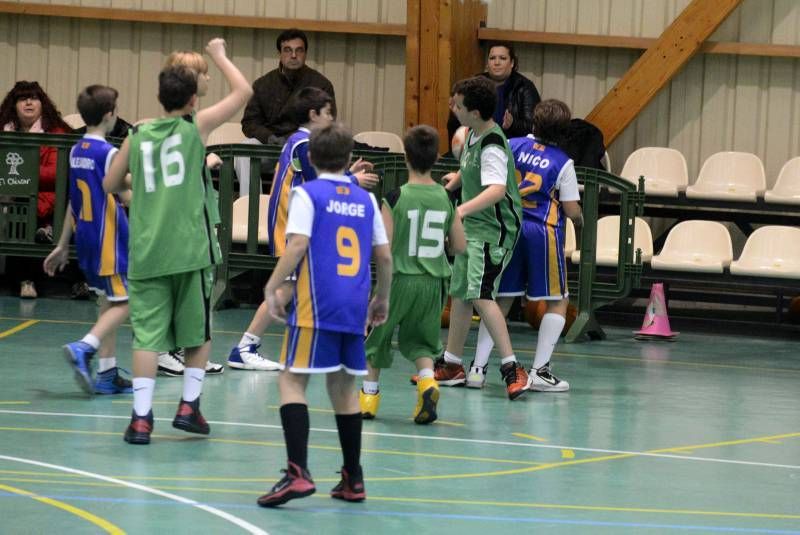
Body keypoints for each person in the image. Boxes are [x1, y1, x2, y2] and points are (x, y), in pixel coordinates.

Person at [104, 38, 253, 445]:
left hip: (148, 251)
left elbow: (111, 183)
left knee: (147, 337)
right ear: (191, 99)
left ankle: (140, 419)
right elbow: (244, 92)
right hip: (191, 250)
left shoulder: (137, 133)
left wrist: (141, 189)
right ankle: (189, 406)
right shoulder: (195, 127)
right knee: (198, 333)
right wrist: (221, 55)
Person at [256, 122, 392, 507]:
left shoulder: (308, 193)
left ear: (312, 158)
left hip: (316, 302)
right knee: (343, 387)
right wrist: (381, 298)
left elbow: (297, 244)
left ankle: (297, 471)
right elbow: (383, 255)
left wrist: (271, 285)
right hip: (354, 302)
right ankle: (353, 477)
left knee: (291, 379)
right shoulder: (366, 200)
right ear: (350, 158)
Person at [226, 87, 377, 372]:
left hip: (295, 224)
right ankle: (246, 345)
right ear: (313, 114)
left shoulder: (300, 141)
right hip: (290, 226)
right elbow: (321, 180)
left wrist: (348, 172)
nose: (332, 118)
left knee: (297, 285)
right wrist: (354, 180)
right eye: (328, 112)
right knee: (287, 287)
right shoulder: (303, 143)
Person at [425, 76, 527, 401]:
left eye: (458, 104)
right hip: (473, 227)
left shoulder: (494, 143)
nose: (453, 107)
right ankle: (452, 364)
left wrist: (461, 210)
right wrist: (453, 183)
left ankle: (513, 367)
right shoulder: (470, 135)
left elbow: (497, 189)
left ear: (475, 111)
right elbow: (470, 169)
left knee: (481, 294)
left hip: (493, 230)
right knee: (461, 293)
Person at [469, 99, 582, 392]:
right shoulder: (563, 162)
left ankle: (477, 370)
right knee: (558, 300)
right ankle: (540, 371)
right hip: (542, 232)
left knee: (501, 301)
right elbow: (571, 211)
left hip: (511, 227)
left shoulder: (511, 144)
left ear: (534, 122)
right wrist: (581, 221)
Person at [359, 125, 465, 424]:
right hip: (433, 283)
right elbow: (459, 245)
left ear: (405, 157)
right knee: (423, 341)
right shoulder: (446, 198)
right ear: (435, 159)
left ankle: (369, 397)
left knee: (375, 338)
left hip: (399, 280)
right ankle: (428, 381)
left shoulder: (395, 198)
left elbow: (383, 248)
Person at [43, 85, 133, 396]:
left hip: (85, 236)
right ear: (110, 115)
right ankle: (86, 346)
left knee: (108, 301)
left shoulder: (75, 149)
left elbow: (73, 200)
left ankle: (107, 374)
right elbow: (127, 197)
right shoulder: (109, 153)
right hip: (109, 238)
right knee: (127, 301)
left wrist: (62, 243)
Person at [154, 48, 229, 378]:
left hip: (200, 206)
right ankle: (168, 351)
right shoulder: (191, 123)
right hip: (187, 216)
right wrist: (206, 161)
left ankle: (187, 349)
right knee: (190, 282)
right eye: (203, 72)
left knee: (200, 284)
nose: (208, 78)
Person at [235, 28, 336, 196]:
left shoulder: (321, 85)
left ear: (305, 54)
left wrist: (296, 140)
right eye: (288, 50)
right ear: (280, 54)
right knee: (244, 151)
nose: (294, 55)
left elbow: (327, 123)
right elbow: (249, 123)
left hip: (304, 147)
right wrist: (269, 137)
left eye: (299, 50)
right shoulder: (263, 84)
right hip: (269, 146)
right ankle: (251, 212)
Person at [0, 81, 71, 298]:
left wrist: (23, 174)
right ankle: (25, 280)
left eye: (34, 98)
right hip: (9, 195)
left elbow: (56, 173)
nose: (29, 102)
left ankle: (27, 280)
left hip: (45, 197)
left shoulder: (57, 131)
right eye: (22, 98)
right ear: (14, 105)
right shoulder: (3, 131)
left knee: (26, 209)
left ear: (42, 104)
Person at [447, 42, 541, 152]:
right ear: (487, 63)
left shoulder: (524, 87)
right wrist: (457, 113)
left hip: (512, 150)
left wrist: (513, 124)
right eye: (492, 58)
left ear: (512, 63)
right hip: (476, 147)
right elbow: (456, 126)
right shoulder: (474, 84)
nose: (497, 62)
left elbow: (535, 128)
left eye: (502, 58)